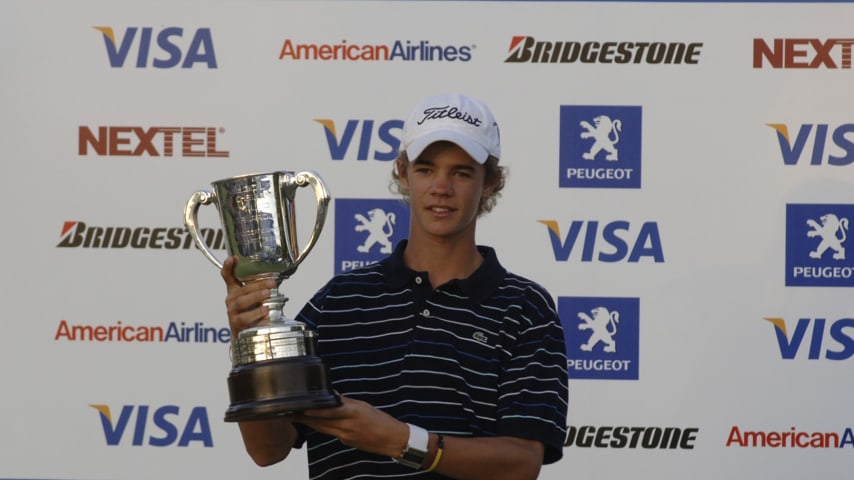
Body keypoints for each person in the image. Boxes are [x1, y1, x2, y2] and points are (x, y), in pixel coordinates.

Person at [221, 93, 569, 479]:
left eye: (461, 172)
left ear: (490, 182)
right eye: (426, 169)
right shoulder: (338, 301)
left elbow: (522, 464)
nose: (441, 187)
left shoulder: (525, 308)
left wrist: (403, 441)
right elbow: (268, 450)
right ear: (402, 173)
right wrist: (250, 347)